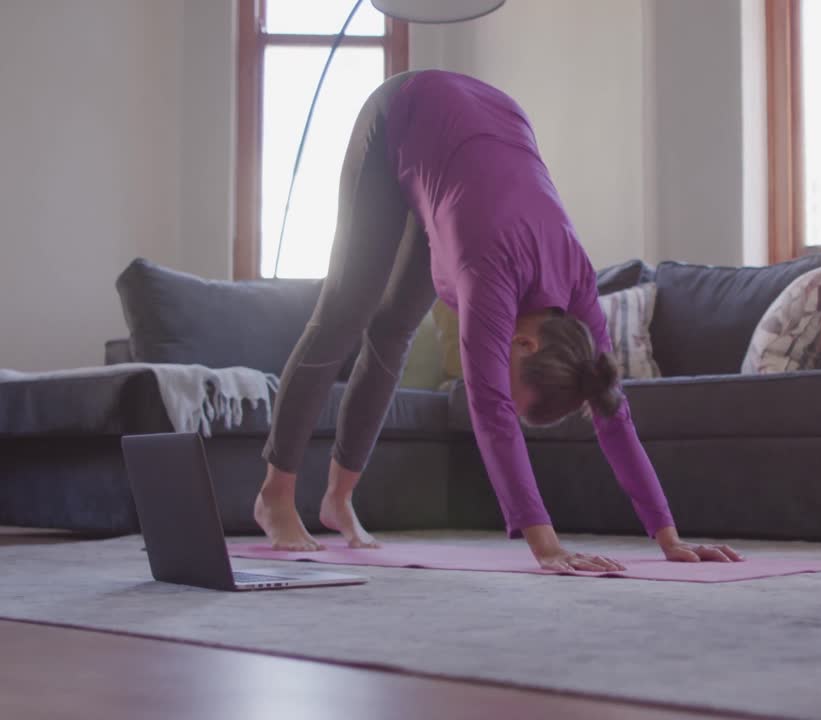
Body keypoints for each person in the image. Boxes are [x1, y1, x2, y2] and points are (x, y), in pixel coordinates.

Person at [253, 70, 742, 573]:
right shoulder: (488, 273)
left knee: (393, 330)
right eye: (514, 390)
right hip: (407, 110)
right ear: (525, 345)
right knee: (344, 311)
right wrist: (546, 547)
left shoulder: (576, 286)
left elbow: (614, 415)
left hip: (475, 148)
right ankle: (276, 496)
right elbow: (492, 413)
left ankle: (338, 500)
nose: (500, 388)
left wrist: (669, 536)